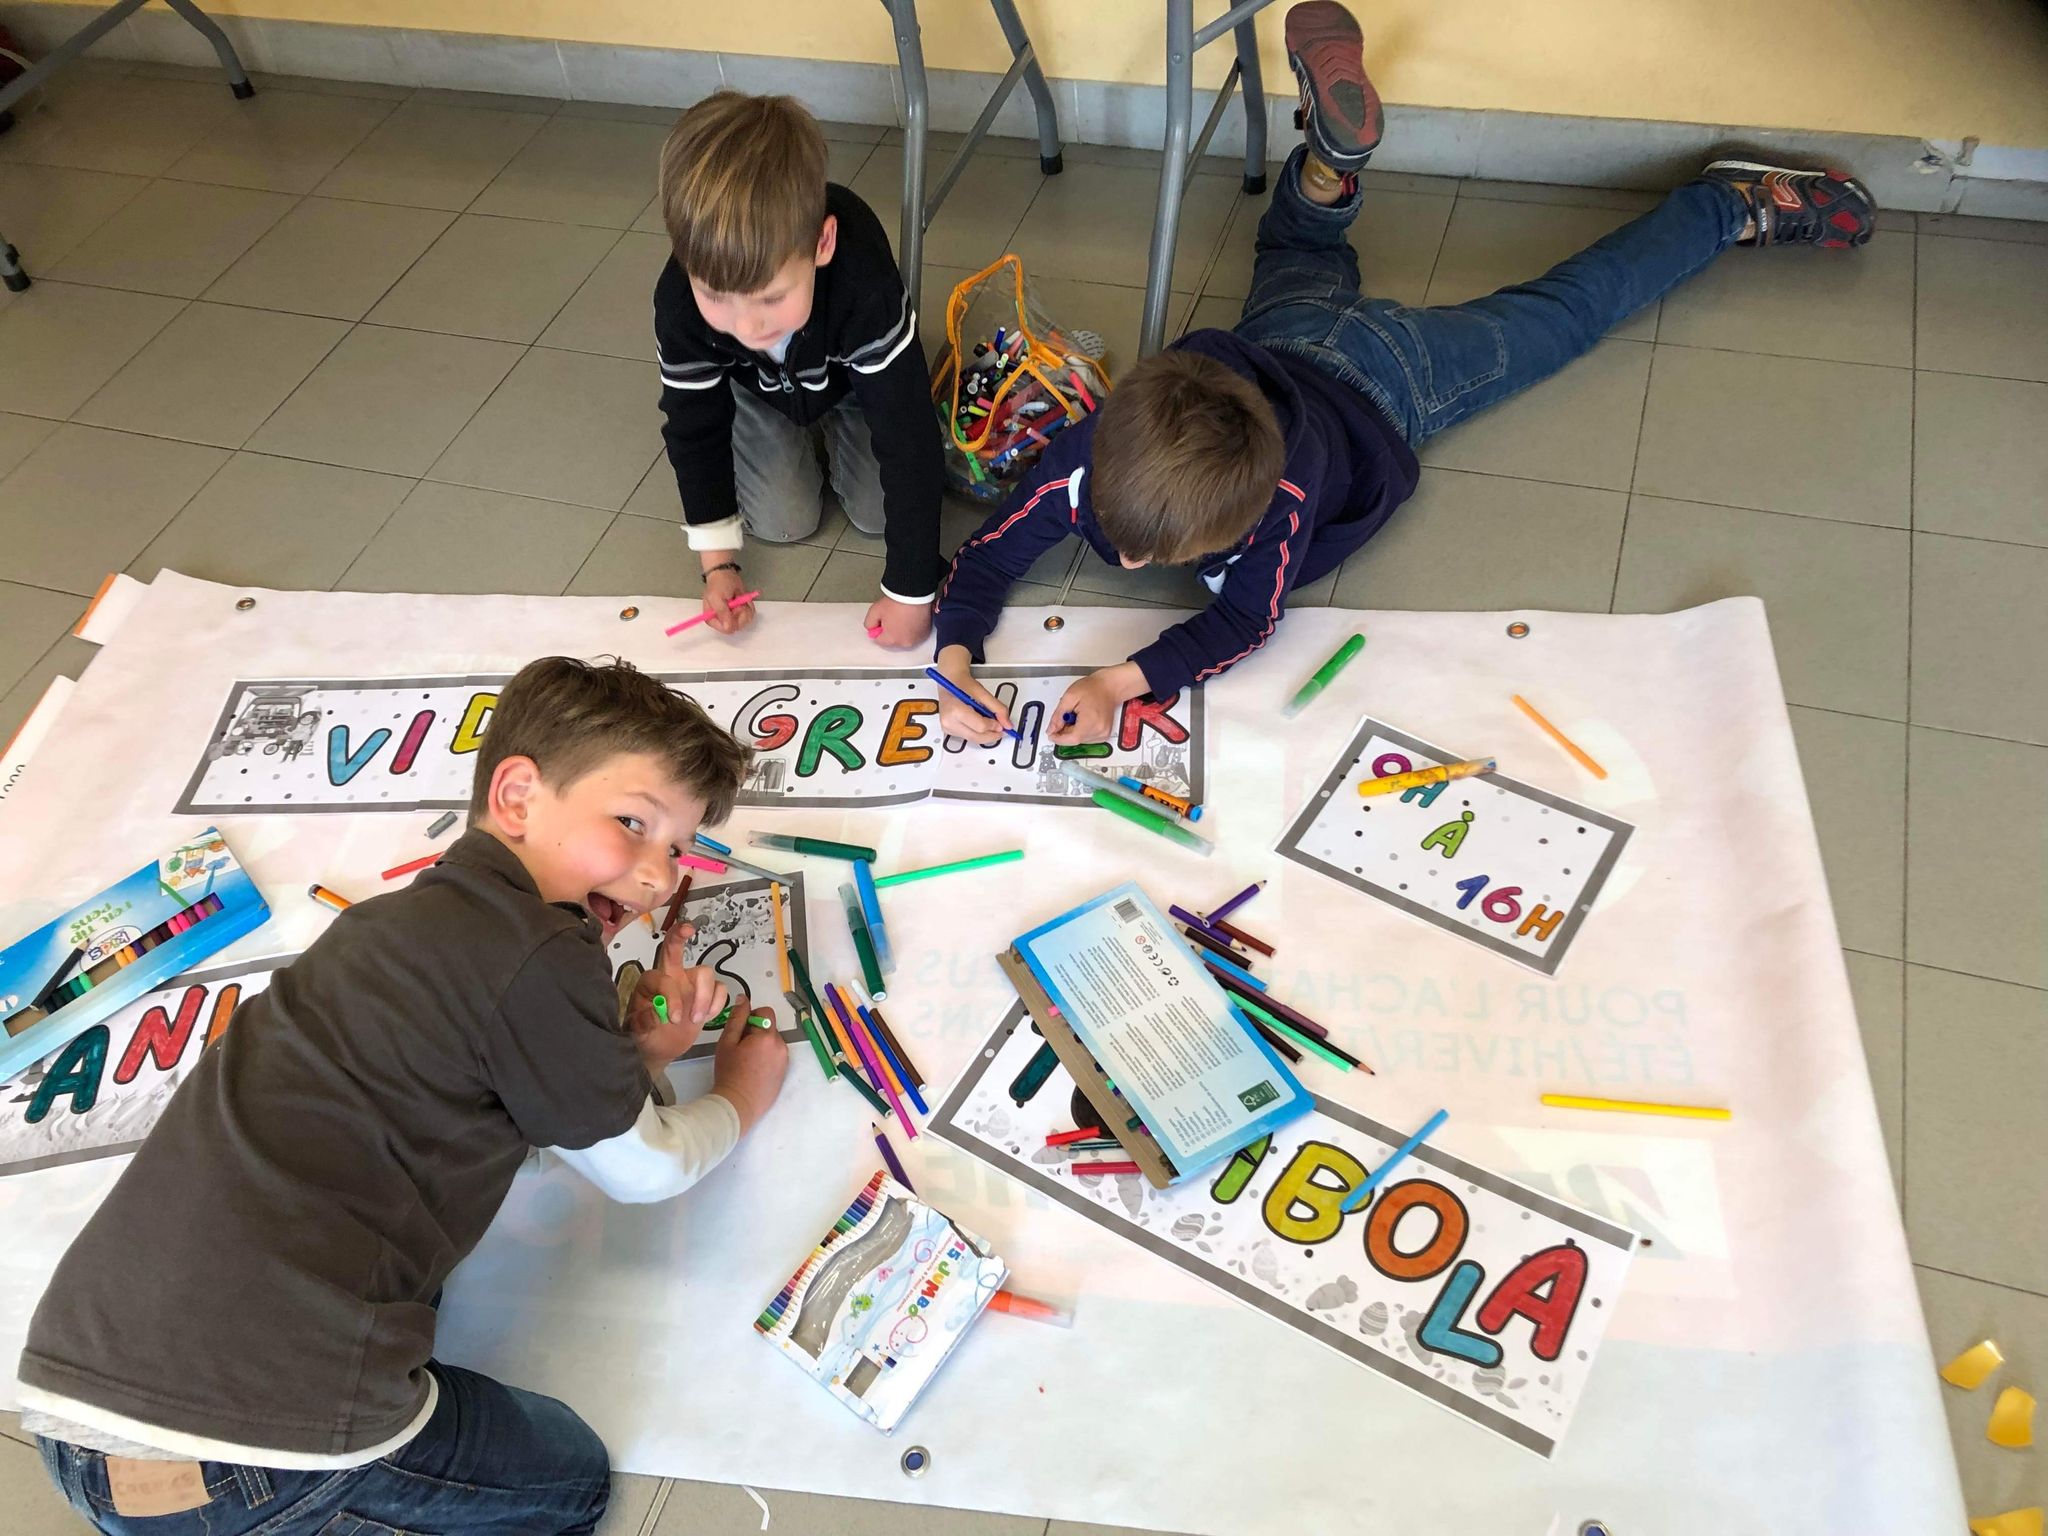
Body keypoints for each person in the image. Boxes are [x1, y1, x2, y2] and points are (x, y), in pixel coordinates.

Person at [930, 0, 1876, 746]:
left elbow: (1245, 626)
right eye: (1126, 542)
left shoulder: (1278, 502)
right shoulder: (1090, 458)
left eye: (1153, 555)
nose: (1131, 565)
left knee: (1566, 315)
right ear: (1105, 445)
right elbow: (989, 558)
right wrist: (956, 659)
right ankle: (1326, 170)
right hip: (1283, 343)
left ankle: (1730, 206)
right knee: (1298, 253)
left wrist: (1120, 678)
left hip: (1394, 387)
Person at [19, 657, 790, 1535]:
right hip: (250, 1457)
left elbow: (495, 1078)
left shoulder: (380, 923)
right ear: (517, 797)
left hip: (75, 1400)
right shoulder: (545, 953)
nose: (657, 877)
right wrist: (742, 1093)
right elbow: (645, 1170)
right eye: (633, 825)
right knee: (570, 1482)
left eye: (677, 848)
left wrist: (638, 1053)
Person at [654, 91, 945, 649]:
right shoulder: (678, 302)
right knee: (784, 522)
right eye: (715, 296)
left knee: (877, 514)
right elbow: (693, 429)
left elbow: (909, 439)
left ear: (822, 244)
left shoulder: (862, 283)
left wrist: (912, 591)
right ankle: (786, 412)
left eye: (771, 297)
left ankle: (845, 400)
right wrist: (718, 565)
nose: (747, 325)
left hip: (850, 382)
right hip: (756, 389)